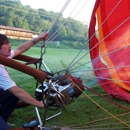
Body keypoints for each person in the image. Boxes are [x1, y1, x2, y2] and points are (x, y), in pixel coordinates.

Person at [0, 32, 48, 129]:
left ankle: (3, 118)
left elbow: (20, 49)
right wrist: (39, 103)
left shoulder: (3, 57)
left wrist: (38, 38)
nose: (10, 45)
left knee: (11, 94)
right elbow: (17, 92)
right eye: (6, 43)